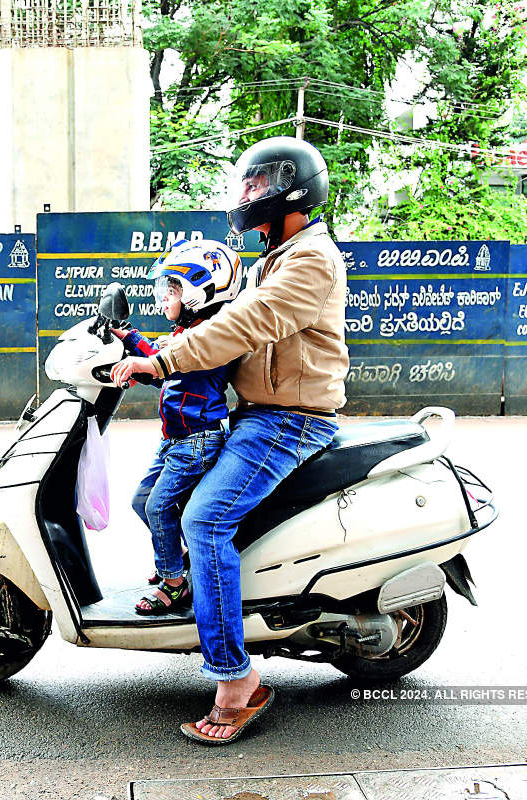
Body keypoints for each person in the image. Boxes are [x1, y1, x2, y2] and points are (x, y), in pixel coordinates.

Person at [109, 136, 349, 745]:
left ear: (294, 191)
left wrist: (163, 361)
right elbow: (217, 320)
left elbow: (245, 323)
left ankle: (236, 681)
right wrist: (137, 341)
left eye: (260, 184)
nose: (248, 195)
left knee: (203, 521)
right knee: (149, 499)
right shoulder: (280, 255)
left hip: (289, 420)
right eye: (247, 184)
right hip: (256, 414)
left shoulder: (310, 260)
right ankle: (189, 590)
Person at [112, 239, 244, 615]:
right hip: (175, 440)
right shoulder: (185, 335)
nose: (164, 298)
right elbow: (163, 367)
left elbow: (171, 361)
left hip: (199, 440)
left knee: (159, 506)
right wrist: (128, 340)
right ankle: (179, 560)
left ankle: (174, 584)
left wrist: (141, 356)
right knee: (143, 501)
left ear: (204, 291)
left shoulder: (212, 336)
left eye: (174, 289)